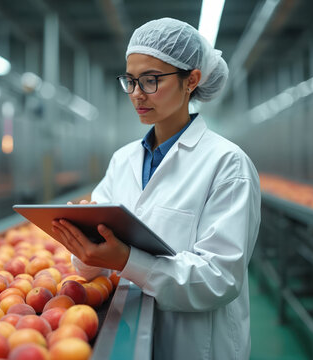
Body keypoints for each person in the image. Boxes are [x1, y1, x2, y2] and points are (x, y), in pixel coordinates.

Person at [51, 17, 261, 359]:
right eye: (131, 81)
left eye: (151, 80)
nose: (137, 94)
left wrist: (127, 260)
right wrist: (84, 244)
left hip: (196, 344)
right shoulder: (123, 161)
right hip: (128, 330)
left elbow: (220, 279)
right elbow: (92, 267)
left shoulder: (227, 164)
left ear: (191, 80)